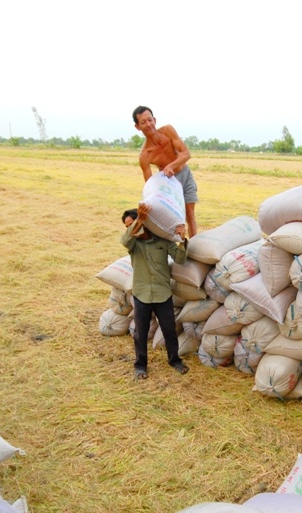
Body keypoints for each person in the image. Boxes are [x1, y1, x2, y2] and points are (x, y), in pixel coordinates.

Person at [121, 204, 190, 380]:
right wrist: (137, 222)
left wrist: (182, 239)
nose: (130, 228)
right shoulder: (133, 244)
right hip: (141, 294)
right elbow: (124, 240)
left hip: (162, 293)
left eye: (131, 224)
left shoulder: (163, 241)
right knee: (140, 333)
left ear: (145, 222)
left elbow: (180, 259)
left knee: (169, 330)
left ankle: (175, 361)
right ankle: (140, 366)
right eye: (127, 226)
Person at [133, 106, 199, 237]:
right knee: (177, 220)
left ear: (155, 120)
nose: (148, 124)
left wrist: (171, 166)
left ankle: (194, 246)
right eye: (143, 122)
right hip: (170, 184)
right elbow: (150, 185)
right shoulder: (145, 155)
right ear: (137, 127)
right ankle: (177, 246)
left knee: (190, 215)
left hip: (185, 174)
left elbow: (186, 154)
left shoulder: (168, 131)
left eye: (150, 120)